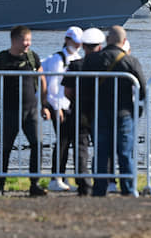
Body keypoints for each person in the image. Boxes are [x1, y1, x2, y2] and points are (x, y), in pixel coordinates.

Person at [0, 25, 50, 197]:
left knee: (37, 145)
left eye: (29, 40)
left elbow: (42, 80)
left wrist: (44, 104)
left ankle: (34, 184)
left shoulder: (32, 57)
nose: (28, 43)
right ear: (14, 40)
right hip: (9, 111)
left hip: (31, 111)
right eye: (25, 40)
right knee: (5, 148)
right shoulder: (0, 60)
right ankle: (0, 186)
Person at [82, 25, 146, 197]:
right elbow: (143, 89)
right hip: (124, 113)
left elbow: (83, 88)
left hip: (99, 112)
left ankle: (99, 189)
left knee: (101, 153)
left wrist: (87, 112)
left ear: (107, 39)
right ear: (124, 41)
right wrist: (137, 112)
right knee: (125, 153)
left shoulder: (92, 60)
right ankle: (128, 189)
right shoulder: (131, 61)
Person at [63, 27, 105, 196]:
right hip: (100, 112)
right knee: (102, 148)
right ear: (100, 47)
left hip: (79, 111)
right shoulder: (105, 66)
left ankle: (84, 185)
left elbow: (67, 91)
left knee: (81, 149)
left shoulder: (75, 65)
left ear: (84, 46)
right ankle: (102, 182)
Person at [41, 26, 83, 192]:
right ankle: (55, 178)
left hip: (71, 106)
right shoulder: (58, 60)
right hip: (59, 106)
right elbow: (53, 87)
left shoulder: (77, 57)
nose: (77, 45)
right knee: (63, 142)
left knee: (69, 142)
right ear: (67, 40)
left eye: (79, 43)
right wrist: (56, 108)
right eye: (75, 42)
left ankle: (63, 178)